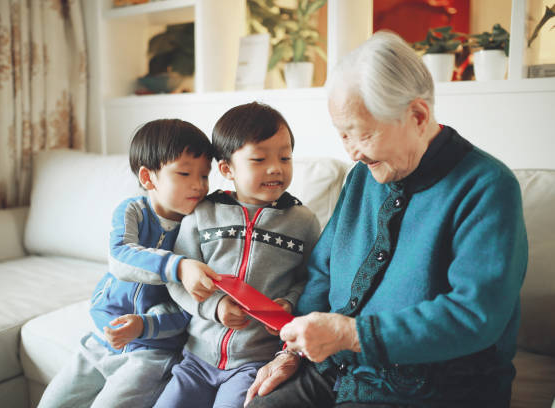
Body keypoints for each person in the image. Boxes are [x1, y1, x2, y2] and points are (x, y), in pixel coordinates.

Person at [244, 31, 528, 408]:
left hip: (434, 389)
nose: (352, 152)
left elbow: (475, 315)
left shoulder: (487, 187)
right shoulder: (364, 175)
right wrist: (290, 351)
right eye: (342, 135)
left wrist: (352, 334)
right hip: (339, 370)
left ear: (417, 115)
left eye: (362, 135)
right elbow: (322, 272)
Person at [151, 102, 322, 408]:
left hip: (254, 361)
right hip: (196, 358)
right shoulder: (203, 215)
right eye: (259, 159)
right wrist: (214, 308)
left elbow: (311, 279)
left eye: (285, 157)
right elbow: (177, 280)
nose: (276, 168)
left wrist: (290, 303)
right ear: (226, 169)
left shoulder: (303, 221)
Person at [38, 119, 216, 408]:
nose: (198, 185)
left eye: (205, 176)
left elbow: (190, 309)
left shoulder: (200, 227)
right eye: (184, 173)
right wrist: (177, 266)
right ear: (148, 178)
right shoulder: (132, 210)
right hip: (102, 335)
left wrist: (144, 326)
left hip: (152, 351)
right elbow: (121, 256)